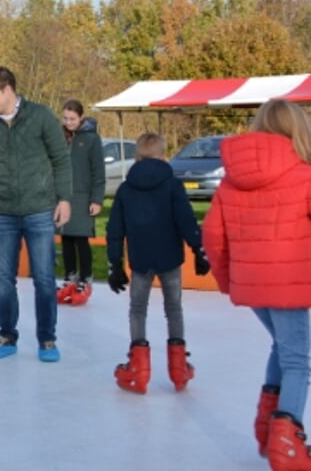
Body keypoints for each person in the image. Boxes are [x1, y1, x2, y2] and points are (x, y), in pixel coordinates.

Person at [202, 100, 311, 466]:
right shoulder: (306, 175)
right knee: (298, 359)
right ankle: (288, 442)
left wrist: (227, 280)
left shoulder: (232, 180)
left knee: (282, 347)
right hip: (293, 282)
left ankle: (269, 428)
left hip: (253, 285)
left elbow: (213, 235)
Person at [0, 66, 71, 363]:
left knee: (44, 278)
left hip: (39, 209)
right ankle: (7, 335)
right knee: (4, 278)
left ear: (8, 89)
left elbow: (61, 160)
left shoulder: (41, 116)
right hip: (4, 212)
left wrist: (65, 199)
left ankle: (47, 339)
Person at [105, 132, 208, 395]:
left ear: (137, 157)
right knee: (173, 308)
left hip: (140, 260)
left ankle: (138, 368)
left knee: (138, 309)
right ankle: (178, 367)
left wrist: (114, 264)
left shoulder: (126, 189)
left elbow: (115, 228)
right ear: (163, 156)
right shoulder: (173, 185)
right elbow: (185, 219)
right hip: (170, 258)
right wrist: (198, 248)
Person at [56, 99, 105, 306]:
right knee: (66, 237)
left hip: (83, 197)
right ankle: (70, 276)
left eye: (72, 119)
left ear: (81, 117)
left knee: (81, 238)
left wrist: (96, 198)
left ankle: (85, 278)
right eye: (65, 118)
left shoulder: (92, 140)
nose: (68, 122)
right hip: (63, 196)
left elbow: (98, 171)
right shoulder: (61, 137)